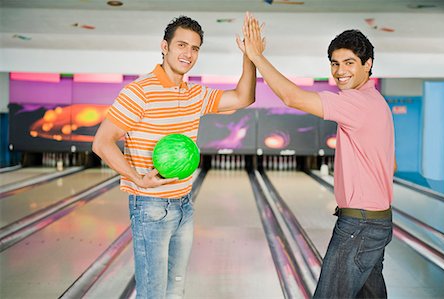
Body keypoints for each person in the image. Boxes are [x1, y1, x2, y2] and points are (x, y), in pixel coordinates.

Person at [92, 15, 259, 299]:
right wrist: (137, 179)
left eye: (195, 48)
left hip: (184, 204)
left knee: (176, 290)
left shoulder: (194, 94)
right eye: (182, 45)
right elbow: (102, 142)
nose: (188, 53)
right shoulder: (139, 92)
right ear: (164, 46)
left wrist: (251, 56)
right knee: (153, 294)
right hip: (150, 207)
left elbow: (244, 97)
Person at [242, 13, 395, 299]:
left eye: (349, 63)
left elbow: (292, 97)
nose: (340, 71)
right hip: (377, 222)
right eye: (335, 64)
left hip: (359, 227)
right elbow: (391, 163)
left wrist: (256, 57)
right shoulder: (377, 101)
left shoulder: (357, 102)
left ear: (368, 64)